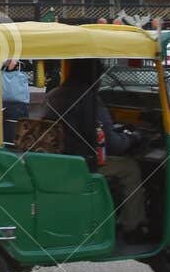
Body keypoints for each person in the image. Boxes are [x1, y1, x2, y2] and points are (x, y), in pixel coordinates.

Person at [45, 59, 146, 237]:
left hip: (57, 162)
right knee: (130, 168)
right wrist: (134, 138)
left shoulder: (53, 95)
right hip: (81, 165)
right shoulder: (89, 99)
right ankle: (133, 227)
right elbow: (113, 144)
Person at [0, 59, 31, 143]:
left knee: (6, 128)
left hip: (4, 103)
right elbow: (13, 62)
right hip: (19, 104)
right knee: (17, 128)